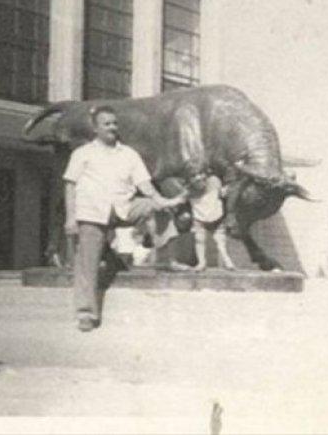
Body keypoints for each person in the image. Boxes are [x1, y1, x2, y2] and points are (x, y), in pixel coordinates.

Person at [63, 105, 187, 332]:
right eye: (106, 124)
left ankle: (166, 257)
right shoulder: (82, 154)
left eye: (114, 123)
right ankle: (86, 313)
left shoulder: (129, 154)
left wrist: (163, 201)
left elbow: (144, 185)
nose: (112, 127)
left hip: (123, 208)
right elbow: (70, 186)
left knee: (158, 208)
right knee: (87, 265)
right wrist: (71, 218)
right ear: (96, 128)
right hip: (91, 212)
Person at [186, 172, 236, 271]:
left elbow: (222, 193)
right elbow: (181, 199)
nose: (198, 177)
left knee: (220, 241)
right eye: (194, 176)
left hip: (216, 215)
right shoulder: (188, 190)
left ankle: (227, 261)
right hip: (199, 217)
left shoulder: (214, 181)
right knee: (199, 240)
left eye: (200, 175)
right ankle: (201, 262)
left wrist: (227, 189)